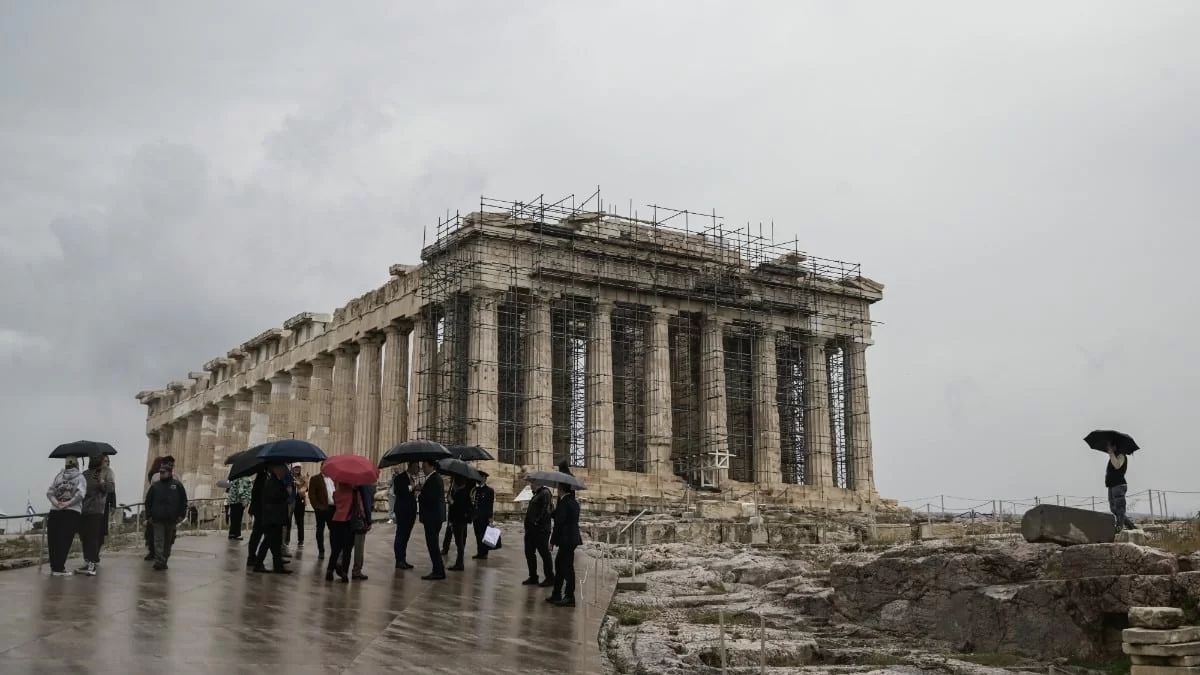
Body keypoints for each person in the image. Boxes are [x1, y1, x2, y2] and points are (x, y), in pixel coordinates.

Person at [45, 458, 87, 577]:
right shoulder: (80, 477)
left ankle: (54, 567)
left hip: (55, 510)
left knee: (53, 540)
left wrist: (57, 503)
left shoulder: (58, 476)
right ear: (77, 464)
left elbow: (49, 492)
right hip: (71, 512)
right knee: (65, 540)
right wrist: (67, 504)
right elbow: (80, 494)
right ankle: (59, 567)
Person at [144, 461, 188, 571]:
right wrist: (149, 516)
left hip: (171, 518)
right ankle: (159, 561)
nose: (161, 474)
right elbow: (148, 502)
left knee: (168, 541)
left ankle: (164, 559)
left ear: (169, 473)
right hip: (157, 518)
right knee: (158, 539)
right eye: (160, 472)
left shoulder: (177, 485)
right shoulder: (155, 486)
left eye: (163, 472)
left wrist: (181, 515)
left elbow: (183, 501)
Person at [252, 463, 292, 574]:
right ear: (276, 469)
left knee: (276, 543)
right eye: (283, 468)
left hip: (276, 517)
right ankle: (258, 564)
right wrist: (287, 492)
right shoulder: (271, 482)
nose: (285, 470)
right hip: (272, 517)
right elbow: (276, 497)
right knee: (268, 541)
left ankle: (278, 566)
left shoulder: (277, 481)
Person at [546, 482, 582, 607]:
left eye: (558, 489)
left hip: (566, 540)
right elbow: (563, 517)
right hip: (572, 539)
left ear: (561, 489)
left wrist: (551, 541)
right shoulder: (573, 502)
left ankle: (570, 596)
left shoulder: (564, 503)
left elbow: (559, 524)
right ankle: (557, 593)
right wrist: (552, 512)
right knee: (561, 566)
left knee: (566, 568)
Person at [78, 455, 114, 576]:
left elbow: (110, 488)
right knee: (84, 537)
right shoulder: (85, 473)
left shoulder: (106, 472)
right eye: (92, 458)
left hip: (97, 509)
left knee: (93, 536)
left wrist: (101, 482)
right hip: (83, 509)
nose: (93, 461)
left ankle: (92, 564)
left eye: (95, 459)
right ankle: (87, 561)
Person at [326, 481, 362, 583]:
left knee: (336, 549)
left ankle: (330, 570)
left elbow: (336, 503)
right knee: (347, 549)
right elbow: (360, 508)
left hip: (336, 521)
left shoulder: (336, 493)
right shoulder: (355, 493)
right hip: (348, 522)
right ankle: (344, 572)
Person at [416, 460, 446, 580]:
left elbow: (429, 498)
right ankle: (438, 569)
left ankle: (438, 571)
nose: (423, 468)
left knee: (432, 545)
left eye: (425, 466)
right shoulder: (434, 478)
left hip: (432, 517)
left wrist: (419, 493)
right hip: (434, 517)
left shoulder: (434, 479)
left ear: (432, 466)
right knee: (433, 544)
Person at [522, 481, 555, 587]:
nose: (531, 484)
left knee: (544, 554)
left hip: (540, 530)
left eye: (533, 482)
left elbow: (545, 510)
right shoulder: (536, 494)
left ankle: (550, 577)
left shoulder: (545, 493)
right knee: (529, 552)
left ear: (538, 483)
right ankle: (533, 576)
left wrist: (536, 522)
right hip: (531, 530)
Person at [143, 455, 172, 561]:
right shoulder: (156, 478)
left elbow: (148, 498)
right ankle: (161, 557)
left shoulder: (154, 476)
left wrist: (148, 514)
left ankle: (156, 554)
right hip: (161, 511)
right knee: (163, 536)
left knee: (155, 534)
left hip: (156, 510)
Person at [392, 462, 419, 569]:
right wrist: (412, 487)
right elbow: (398, 491)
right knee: (400, 535)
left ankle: (403, 559)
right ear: (411, 466)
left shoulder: (411, 478)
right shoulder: (400, 477)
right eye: (417, 466)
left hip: (410, 511)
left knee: (406, 536)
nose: (418, 468)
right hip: (402, 511)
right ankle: (399, 560)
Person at [446, 476, 475, 572]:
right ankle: (459, 562)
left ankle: (460, 563)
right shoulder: (462, 492)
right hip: (460, 520)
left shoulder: (462, 493)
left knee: (459, 543)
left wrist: (451, 501)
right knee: (460, 542)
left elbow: (459, 508)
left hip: (459, 521)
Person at [1106, 444, 1138, 532]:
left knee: (1119, 508)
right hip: (1112, 485)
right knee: (1113, 509)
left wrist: (1111, 454)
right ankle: (1132, 527)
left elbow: (1117, 465)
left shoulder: (1121, 455)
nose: (1108, 448)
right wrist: (1112, 455)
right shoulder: (1114, 456)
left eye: (1110, 446)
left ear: (1116, 446)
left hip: (1118, 485)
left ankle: (1119, 528)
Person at [308, 465, 335, 558]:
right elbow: (312, 495)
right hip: (322, 509)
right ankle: (321, 550)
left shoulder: (333, 478)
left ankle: (334, 550)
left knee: (334, 530)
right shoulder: (315, 478)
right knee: (320, 529)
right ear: (321, 468)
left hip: (333, 508)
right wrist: (318, 507)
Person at [351, 482, 375, 581]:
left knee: (346, 544)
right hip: (359, 518)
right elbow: (366, 502)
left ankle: (340, 562)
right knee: (359, 545)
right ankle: (357, 570)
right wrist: (369, 520)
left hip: (346, 516)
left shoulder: (346, 481)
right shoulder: (365, 484)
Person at [245, 469, 267, 568]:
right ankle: (252, 557)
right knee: (257, 535)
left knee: (263, 535)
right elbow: (257, 493)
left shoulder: (267, 475)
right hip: (261, 511)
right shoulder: (262, 475)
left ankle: (277, 559)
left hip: (264, 510)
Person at [471, 471, 495, 560]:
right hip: (476, 517)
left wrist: (490, 517)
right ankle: (479, 552)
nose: (479, 479)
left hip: (484, 517)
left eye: (481, 477)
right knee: (477, 535)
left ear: (485, 478)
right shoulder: (476, 490)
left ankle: (484, 553)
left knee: (484, 535)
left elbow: (490, 505)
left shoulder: (489, 490)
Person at [286, 465, 306, 550]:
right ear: (292, 468)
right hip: (290, 501)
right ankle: (287, 541)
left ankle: (301, 540)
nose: (297, 469)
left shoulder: (302, 478)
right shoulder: (289, 477)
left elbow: (306, 489)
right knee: (288, 522)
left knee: (300, 522)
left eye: (299, 468)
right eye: (295, 468)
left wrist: (299, 485)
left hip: (299, 501)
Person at [226, 475, 252, 540]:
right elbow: (241, 490)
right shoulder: (243, 478)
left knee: (233, 517)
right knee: (238, 517)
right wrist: (244, 499)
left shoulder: (235, 478)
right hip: (238, 501)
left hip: (233, 500)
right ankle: (237, 534)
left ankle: (232, 533)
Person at [100, 455, 116, 549]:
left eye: (108, 461)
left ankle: (96, 553)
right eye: (105, 461)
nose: (107, 463)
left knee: (102, 531)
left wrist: (113, 504)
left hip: (105, 504)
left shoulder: (110, 473)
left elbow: (112, 490)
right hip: (94, 504)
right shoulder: (95, 472)